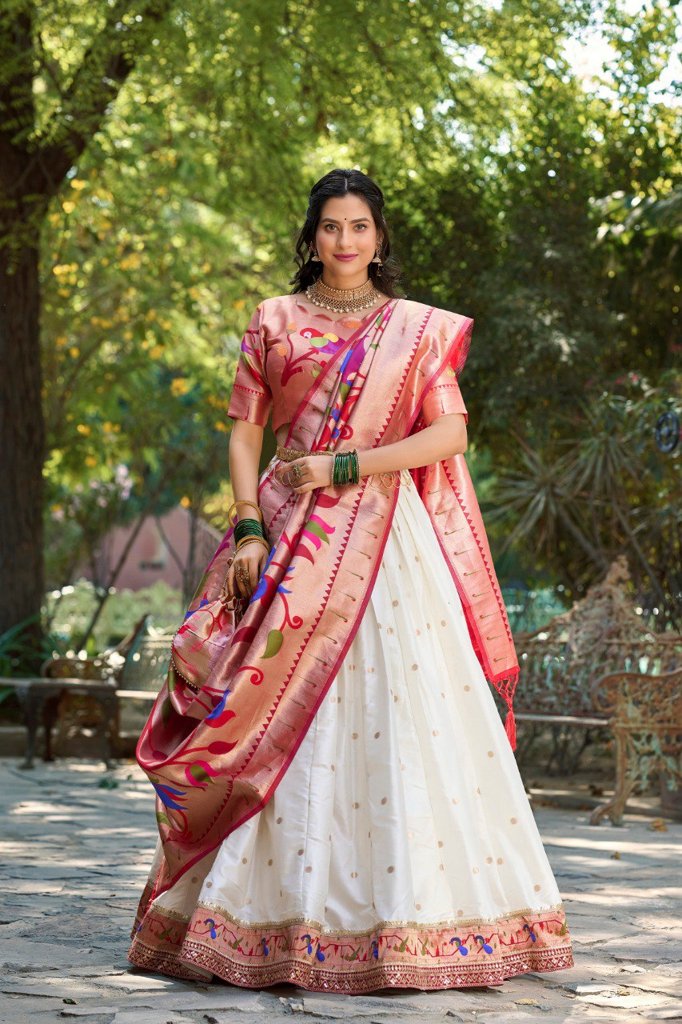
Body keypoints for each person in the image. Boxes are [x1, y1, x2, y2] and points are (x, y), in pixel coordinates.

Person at [128, 168, 574, 993]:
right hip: (291, 535)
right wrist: (248, 527)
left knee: (405, 716)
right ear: (312, 235)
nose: (344, 242)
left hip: (388, 547)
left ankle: (411, 916)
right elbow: (244, 433)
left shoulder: (413, 331)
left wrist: (345, 463)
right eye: (331, 227)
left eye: (360, 227)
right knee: (275, 712)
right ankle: (260, 916)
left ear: (379, 236)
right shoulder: (275, 320)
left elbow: (449, 435)